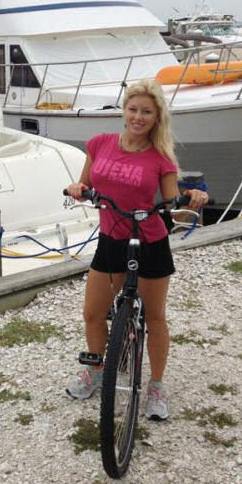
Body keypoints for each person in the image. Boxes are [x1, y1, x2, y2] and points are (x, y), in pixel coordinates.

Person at [64, 78, 209, 420]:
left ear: (156, 118)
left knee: (155, 318)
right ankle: (96, 370)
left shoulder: (161, 158)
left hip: (150, 242)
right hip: (111, 239)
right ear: (124, 111)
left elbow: (172, 206)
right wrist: (77, 189)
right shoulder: (99, 144)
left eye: (146, 112)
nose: (138, 117)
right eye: (133, 109)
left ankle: (156, 386)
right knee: (93, 313)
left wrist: (192, 199)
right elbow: (85, 185)